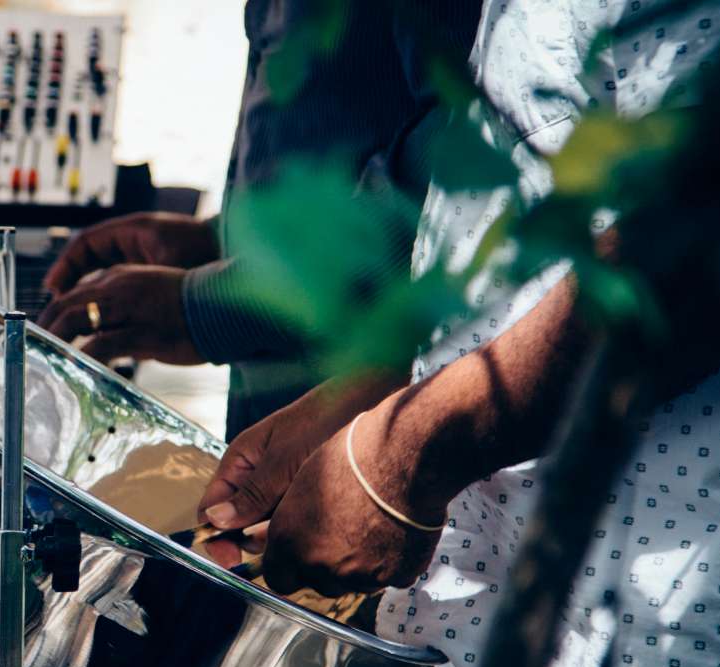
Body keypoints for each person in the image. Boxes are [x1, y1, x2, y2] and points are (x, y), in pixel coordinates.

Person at [198, 1, 720, 667]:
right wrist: (377, 389)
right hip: (507, 638)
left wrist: (407, 455)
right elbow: (545, 209)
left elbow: (716, 220)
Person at [36, 0, 481, 437]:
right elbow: (351, 122)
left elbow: (455, 167)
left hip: (356, 422)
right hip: (274, 398)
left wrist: (210, 308)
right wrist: (220, 239)